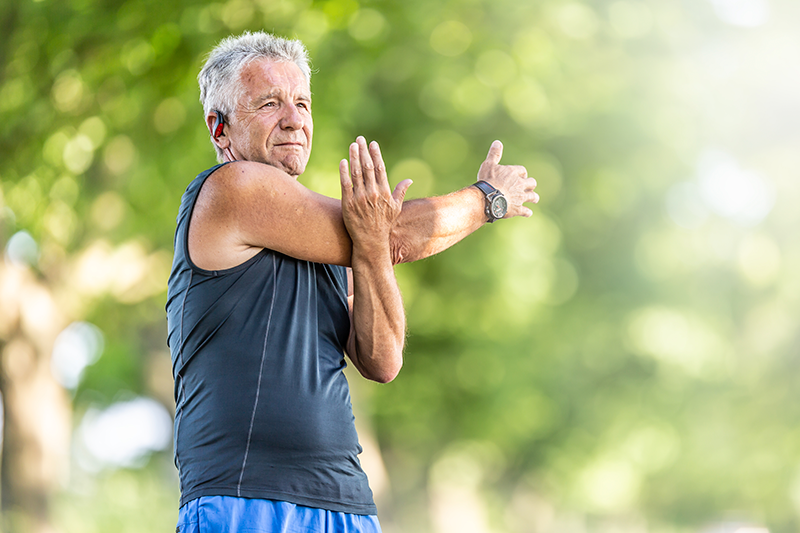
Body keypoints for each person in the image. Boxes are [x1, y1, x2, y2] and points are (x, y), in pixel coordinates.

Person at [166, 31, 539, 532]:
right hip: (245, 499)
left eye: (302, 103)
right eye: (270, 103)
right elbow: (396, 235)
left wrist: (372, 246)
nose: (294, 119)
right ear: (220, 128)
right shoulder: (232, 189)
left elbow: (383, 360)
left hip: (346, 503)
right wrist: (486, 198)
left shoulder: (335, 238)